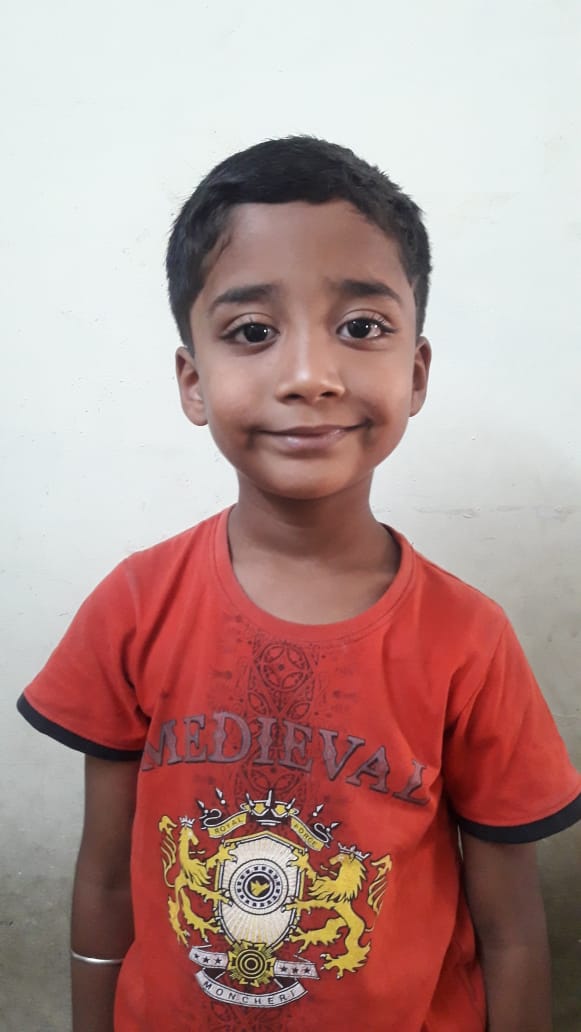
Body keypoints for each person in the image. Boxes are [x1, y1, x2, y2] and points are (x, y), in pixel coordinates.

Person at [17, 136, 581, 1032]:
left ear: (415, 373)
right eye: (252, 332)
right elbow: (107, 877)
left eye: (360, 327)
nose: (310, 376)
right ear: (193, 381)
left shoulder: (468, 639)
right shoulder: (134, 606)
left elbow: (510, 931)